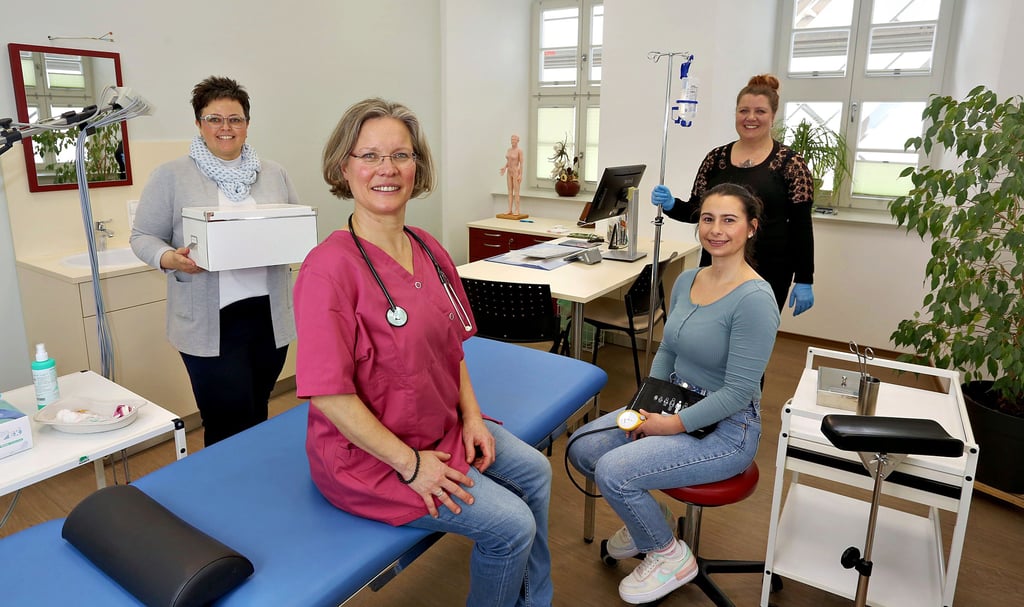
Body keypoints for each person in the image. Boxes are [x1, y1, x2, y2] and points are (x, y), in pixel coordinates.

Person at [293, 98, 553, 607]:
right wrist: (412, 465)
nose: (387, 169)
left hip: (442, 429)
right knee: (511, 526)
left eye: (401, 155)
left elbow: (451, 350)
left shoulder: (430, 250)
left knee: (537, 472)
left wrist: (473, 418)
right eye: (369, 156)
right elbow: (329, 396)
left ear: (418, 166)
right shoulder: (327, 270)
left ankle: (533, 600)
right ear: (344, 168)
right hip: (372, 460)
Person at [568, 183, 780, 605]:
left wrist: (671, 426)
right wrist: (645, 409)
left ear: (751, 229)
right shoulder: (687, 280)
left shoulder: (755, 299)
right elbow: (667, 348)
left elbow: (740, 391)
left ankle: (669, 555)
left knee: (615, 471)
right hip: (672, 401)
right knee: (582, 447)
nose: (715, 229)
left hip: (726, 429)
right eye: (707, 218)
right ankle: (654, 522)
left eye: (729, 220)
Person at [130, 76, 299, 446]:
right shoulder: (172, 176)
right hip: (210, 322)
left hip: (268, 316)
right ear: (198, 123)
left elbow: (293, 225)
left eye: (235, 119)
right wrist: (170, 258)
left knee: (257, 410)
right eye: (214, 119)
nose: (226, 127)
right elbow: (142, 237)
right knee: (225, 419)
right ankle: (221, 494)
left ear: (247, 124)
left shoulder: (273, 173)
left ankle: (253, 482)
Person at [652, 74, 816, 316]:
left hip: (769, 270)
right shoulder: (715, 159)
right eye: (743, 111)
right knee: (706, 333)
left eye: (760, 111)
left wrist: (804, 278)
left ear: (772, 116)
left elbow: (801, 226)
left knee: (748, 340)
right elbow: (697, 212)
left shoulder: (791, 164)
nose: (750, 118)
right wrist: (671, 204)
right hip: (716, 264)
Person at [499, 133, 525, 216]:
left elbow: (521, 164)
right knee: (510, 191)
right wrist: (504, 167)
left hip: (515, 172)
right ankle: (509, 209)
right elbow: (509, 161)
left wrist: (521, 175)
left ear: (518, 141)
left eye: (514, 139)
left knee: (516, 192)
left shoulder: (519, 151)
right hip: (509, 172)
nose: (513, 141)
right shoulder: (509, 150)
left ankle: (517, 209)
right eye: (512, 139)